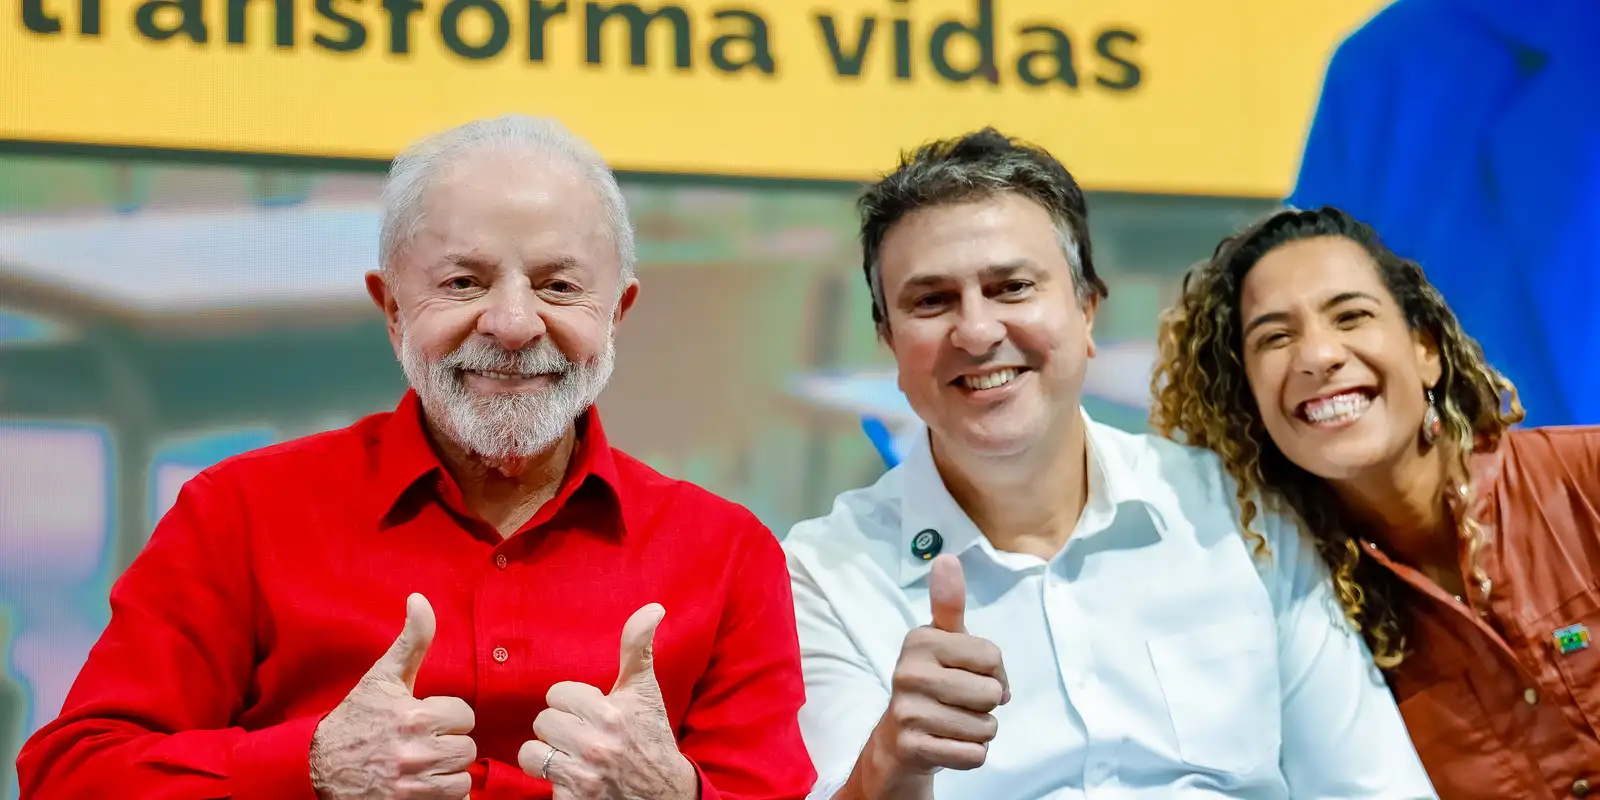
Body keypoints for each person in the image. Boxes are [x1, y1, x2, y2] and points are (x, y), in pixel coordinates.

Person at [15, 115, 815, 800]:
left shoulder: (729, 556)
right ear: (393, 309)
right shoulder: (239, 513)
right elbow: (68, 775)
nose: (512, 324)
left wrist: (675, 794)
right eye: (463, 283)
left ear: (618, 313)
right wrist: (312, 767)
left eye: (558, 286)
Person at [782, 130, 1436, 800]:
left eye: (1012, 287)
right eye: (932, 301)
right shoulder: (821, 576)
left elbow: (1373, 787)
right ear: (889, 342)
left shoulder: (1238, 512)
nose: (976, 331)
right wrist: (889, 764)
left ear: (1088, 310)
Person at [1149, 205, 1600, 799]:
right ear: (1247, 400)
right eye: (1276, 337)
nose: (1318, 356)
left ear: (1426, 349)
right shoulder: (1290, 605)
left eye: (1351, 316)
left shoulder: (1585, 478)